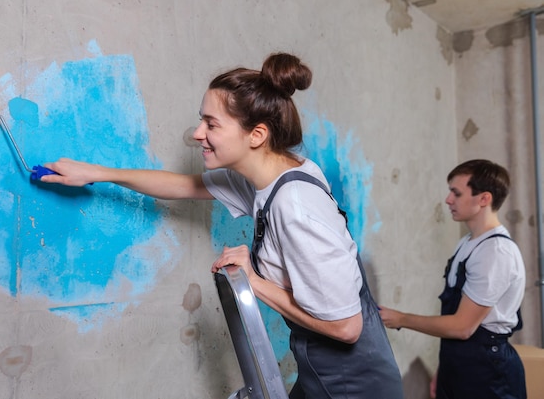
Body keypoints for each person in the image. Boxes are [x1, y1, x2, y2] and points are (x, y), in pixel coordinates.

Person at [41, 52, 404, 399]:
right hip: (320, 370)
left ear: (256, 135)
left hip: (353, 384)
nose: (198, 133)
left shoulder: (295, 205)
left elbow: (346, 327)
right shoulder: (268, 178)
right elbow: (185, 186)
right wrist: (97, 174)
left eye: (211, 124)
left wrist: (254, 282)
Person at [379, 159, 527, 399]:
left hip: (488, 373)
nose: (448, 200)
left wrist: (401, 318)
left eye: (456, 193)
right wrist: (445, 368)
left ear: (484, 199)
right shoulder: (469, 243)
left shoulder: (495, 252)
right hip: (461, 363)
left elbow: (462, 327)